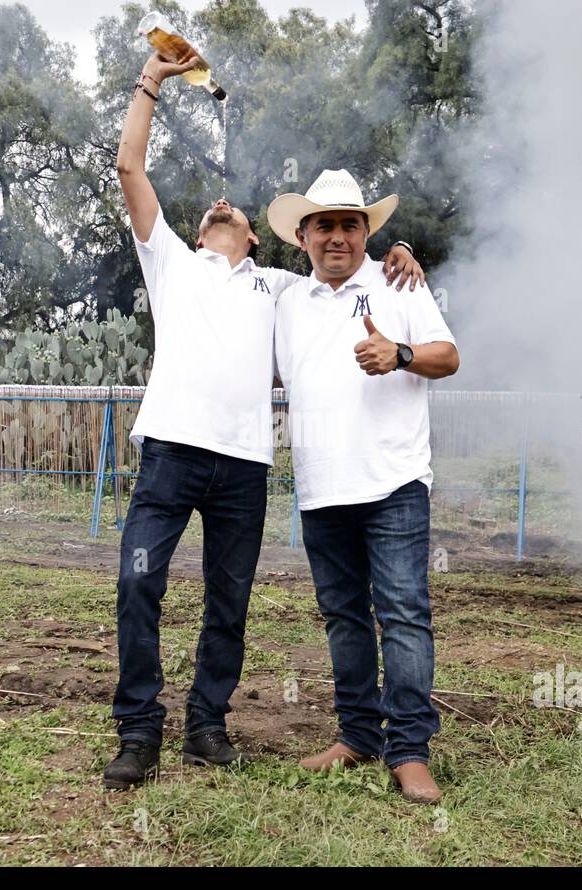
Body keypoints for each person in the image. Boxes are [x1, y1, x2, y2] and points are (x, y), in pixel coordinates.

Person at [103, 56, 426, 790]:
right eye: (212, 212)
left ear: (254, 240)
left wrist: (399, 253)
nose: (221, 208)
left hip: (244, 468)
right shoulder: (172, 264)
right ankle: (139, 728)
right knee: (137, 584)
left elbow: (343, 269)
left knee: (229, 600)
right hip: (171, 454)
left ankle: (206, 725)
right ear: (196, 232)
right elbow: (128, 165)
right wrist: (151, 80)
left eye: (236, 214)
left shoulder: (279, 289)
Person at [269, 169, 459, 803]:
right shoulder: (288, 302)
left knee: (404, 614)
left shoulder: (398, 280)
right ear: (303, 236)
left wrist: (399, 354)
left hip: (394, 481)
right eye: (325, 225)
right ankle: (357, 737)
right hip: (322, 489)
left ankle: (408, 749)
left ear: (368, 233)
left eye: (351, 224)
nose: (338, 237)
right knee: (345, 617)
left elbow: (448, 357)